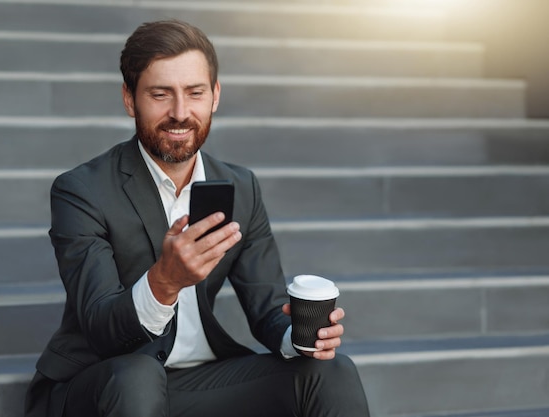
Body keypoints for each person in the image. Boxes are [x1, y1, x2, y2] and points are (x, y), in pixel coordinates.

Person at [24, 19, 370, 417]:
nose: (180, 112)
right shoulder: (81, 190)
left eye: (194, 92)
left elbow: (267, 308)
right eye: (160, 94)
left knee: (331, 371)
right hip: (103, 384)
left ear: (215, 96)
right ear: (129, 98)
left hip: (196, 383)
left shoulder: (241, 186)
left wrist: (303, 335)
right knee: (139, 375)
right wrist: (163, 281)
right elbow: (101, 328)